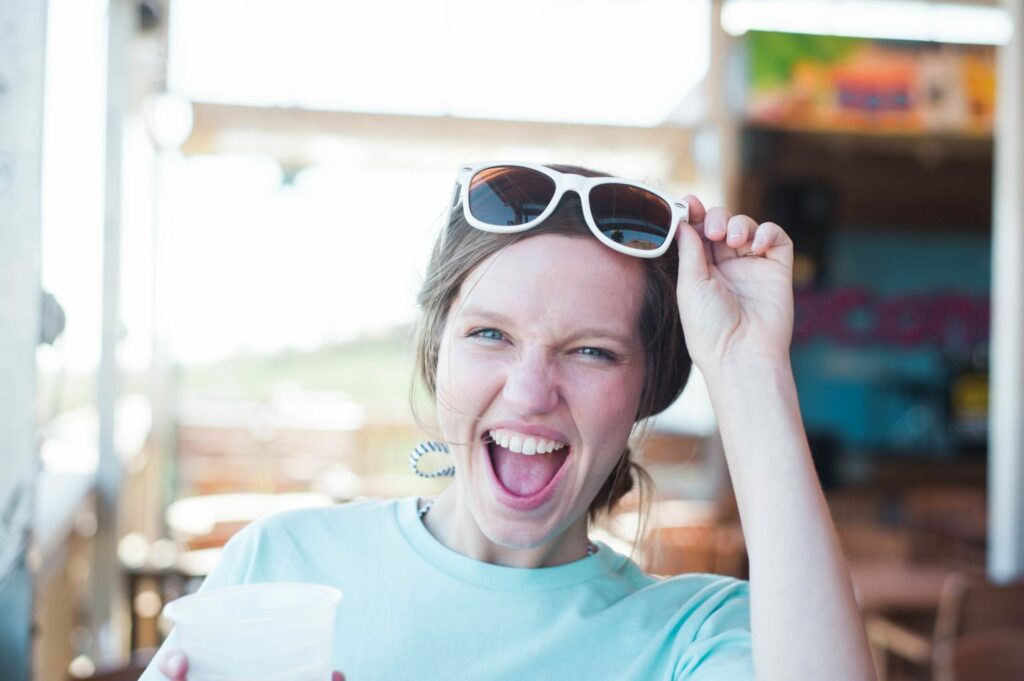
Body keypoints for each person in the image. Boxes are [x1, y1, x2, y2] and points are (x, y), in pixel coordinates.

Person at [144, 162, 874, 680]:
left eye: (591, 350)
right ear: (438, 354)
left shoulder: (692, 637)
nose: (530, 392)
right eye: (490, 334)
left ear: (648, 388)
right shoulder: (279, 567)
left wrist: (747, 367)